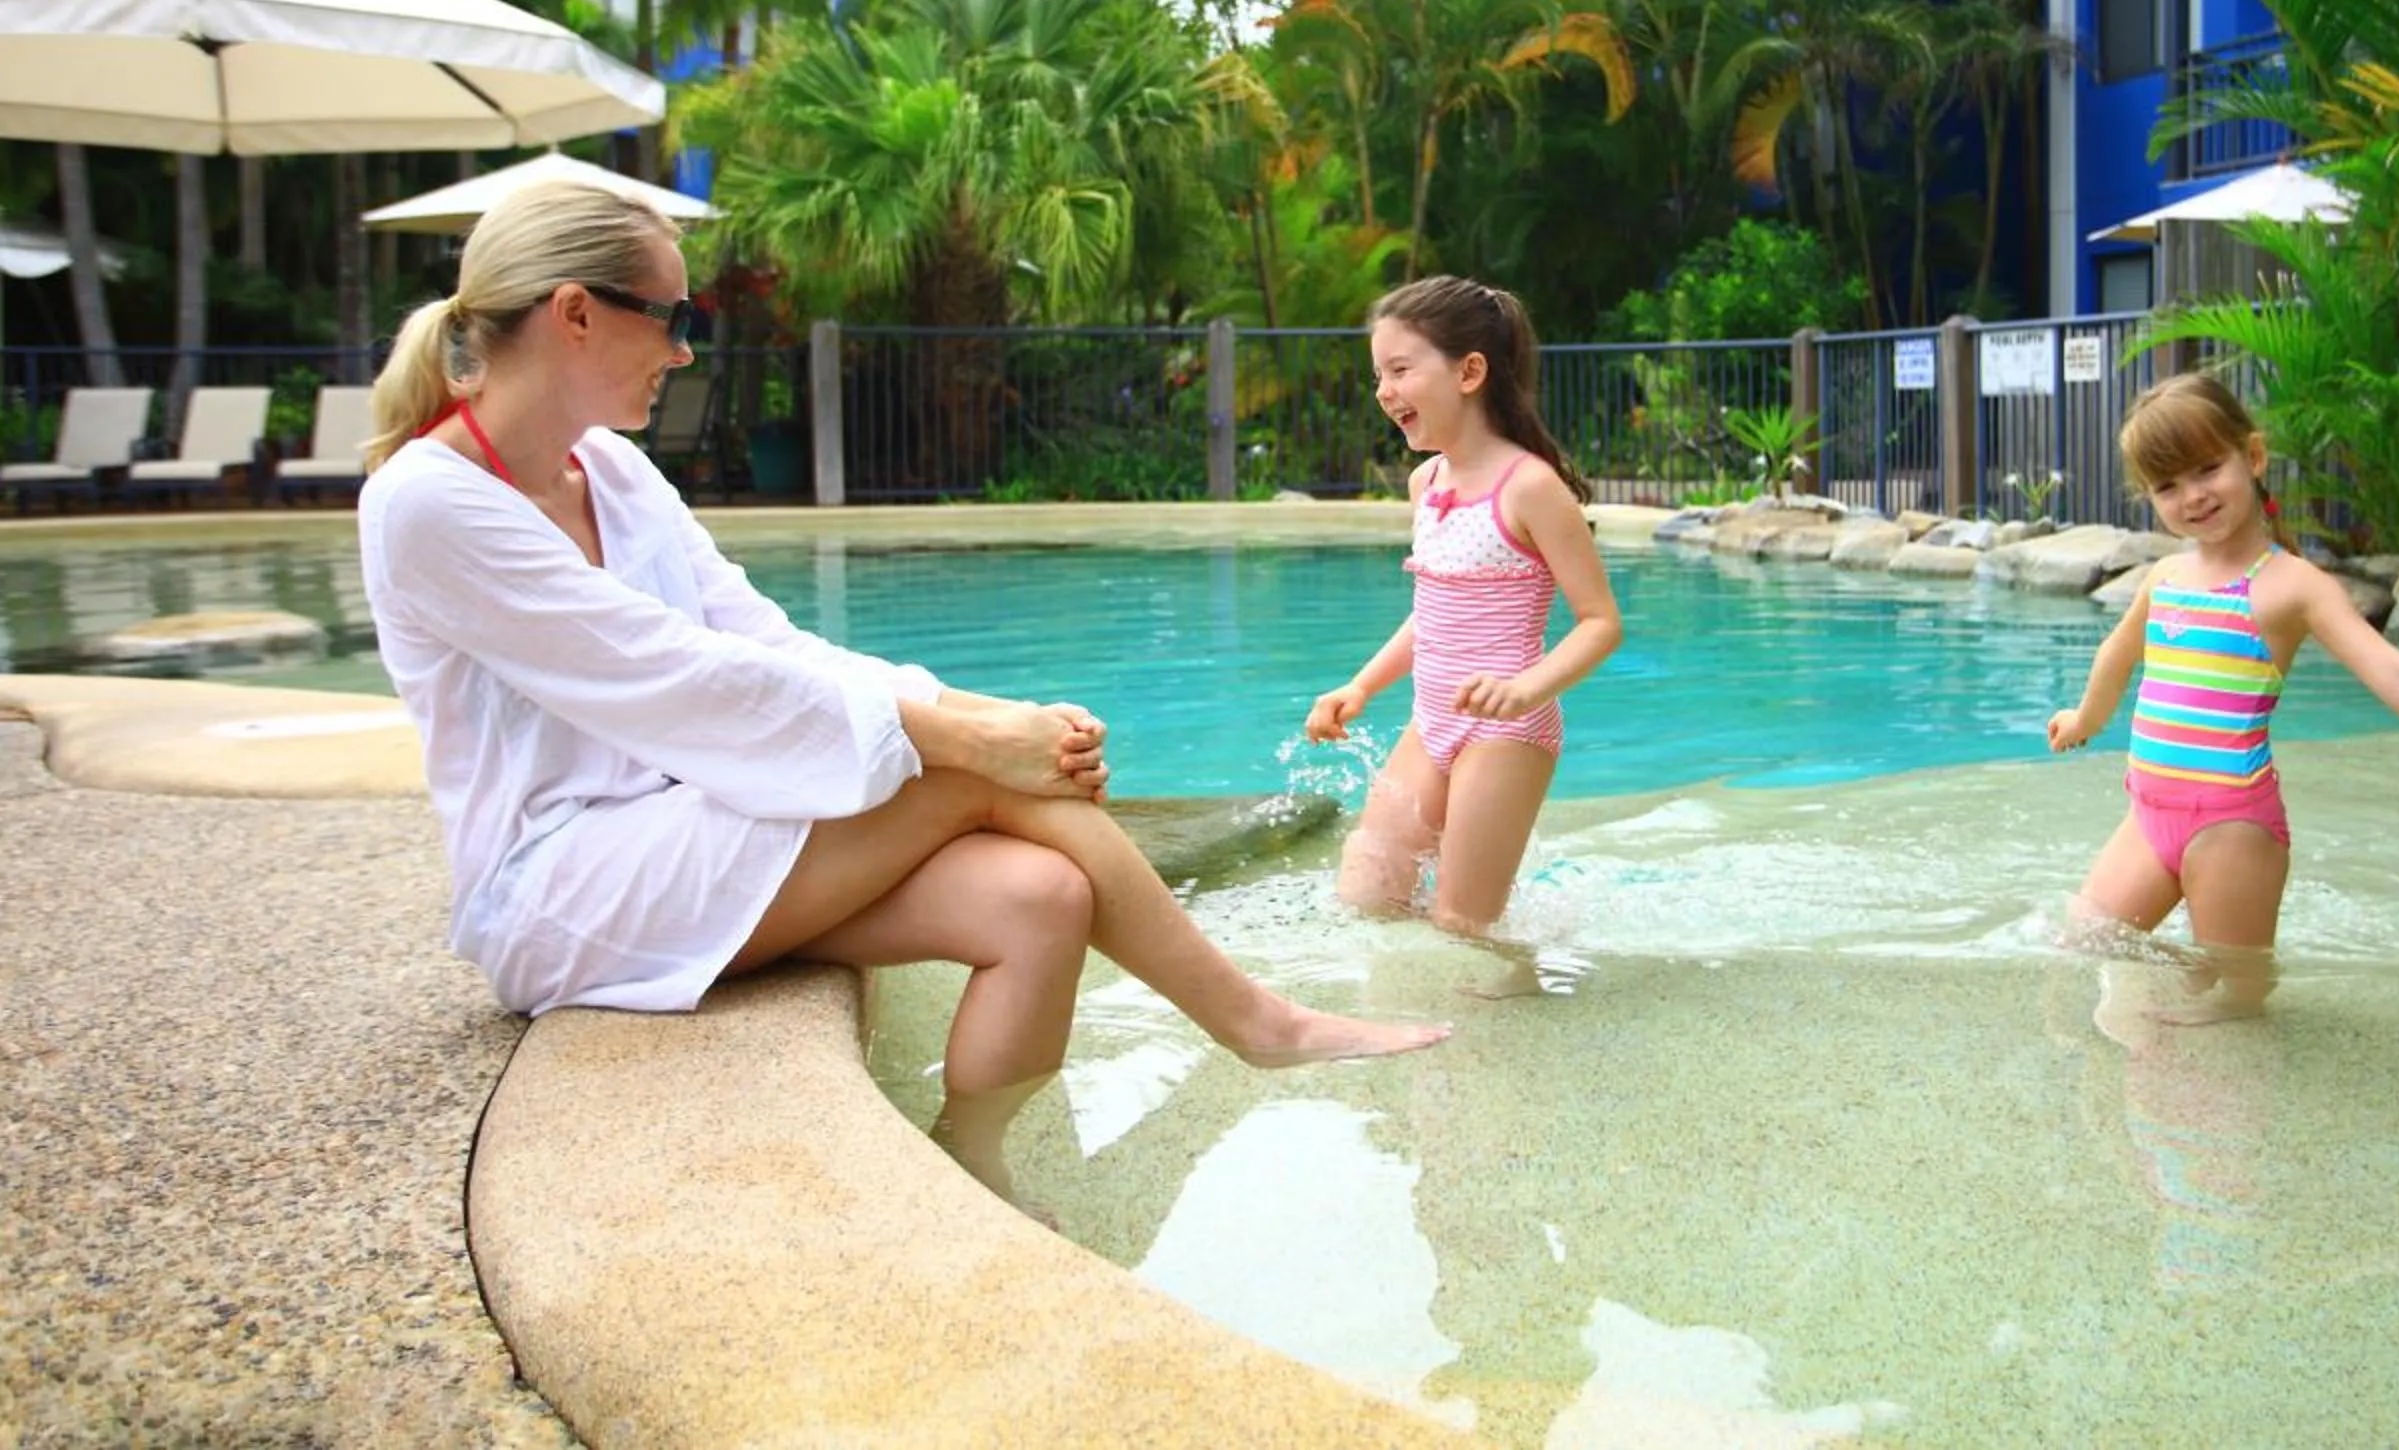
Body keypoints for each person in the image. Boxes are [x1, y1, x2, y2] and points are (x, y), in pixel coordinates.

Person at [356, 182, 1442, 1196]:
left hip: (694, 830)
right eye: (675, 319)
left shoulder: (616, 471)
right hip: (565, 884)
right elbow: (671, 675)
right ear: (576, 313)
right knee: (984, 780)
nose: (686, 351)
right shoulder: (429, 502)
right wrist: (970, 740)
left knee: (1041, 897)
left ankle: (972, 1163)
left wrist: (974, 710)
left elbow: (761, 637)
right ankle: (1257, 1022)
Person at [2044, 372, 2399, 1013]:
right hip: (2149, 814)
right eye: (2168, 485)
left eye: (2207, 469)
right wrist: (2084, 718)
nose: (2192, 496)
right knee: (2083, 942)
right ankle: (2187, 994)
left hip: (2231, 829)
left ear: (2252, 456)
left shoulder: (2290, 585)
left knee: (2233, 1004)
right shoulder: (2165, 577)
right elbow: (2118, 654)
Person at [1303, 276, 1622, 939]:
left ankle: (1502, 1031)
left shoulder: (1529, 487)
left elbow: (1600, 623)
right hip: (1432, 720)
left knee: (1462, 924)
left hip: (1508, 730)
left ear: (1470, 371)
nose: (1383, 392)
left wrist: (1525, 687)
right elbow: (1437, 611)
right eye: (1377, 375)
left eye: (1399, 370)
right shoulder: (1428, 482)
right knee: (1368, 896)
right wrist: (1360, 684)